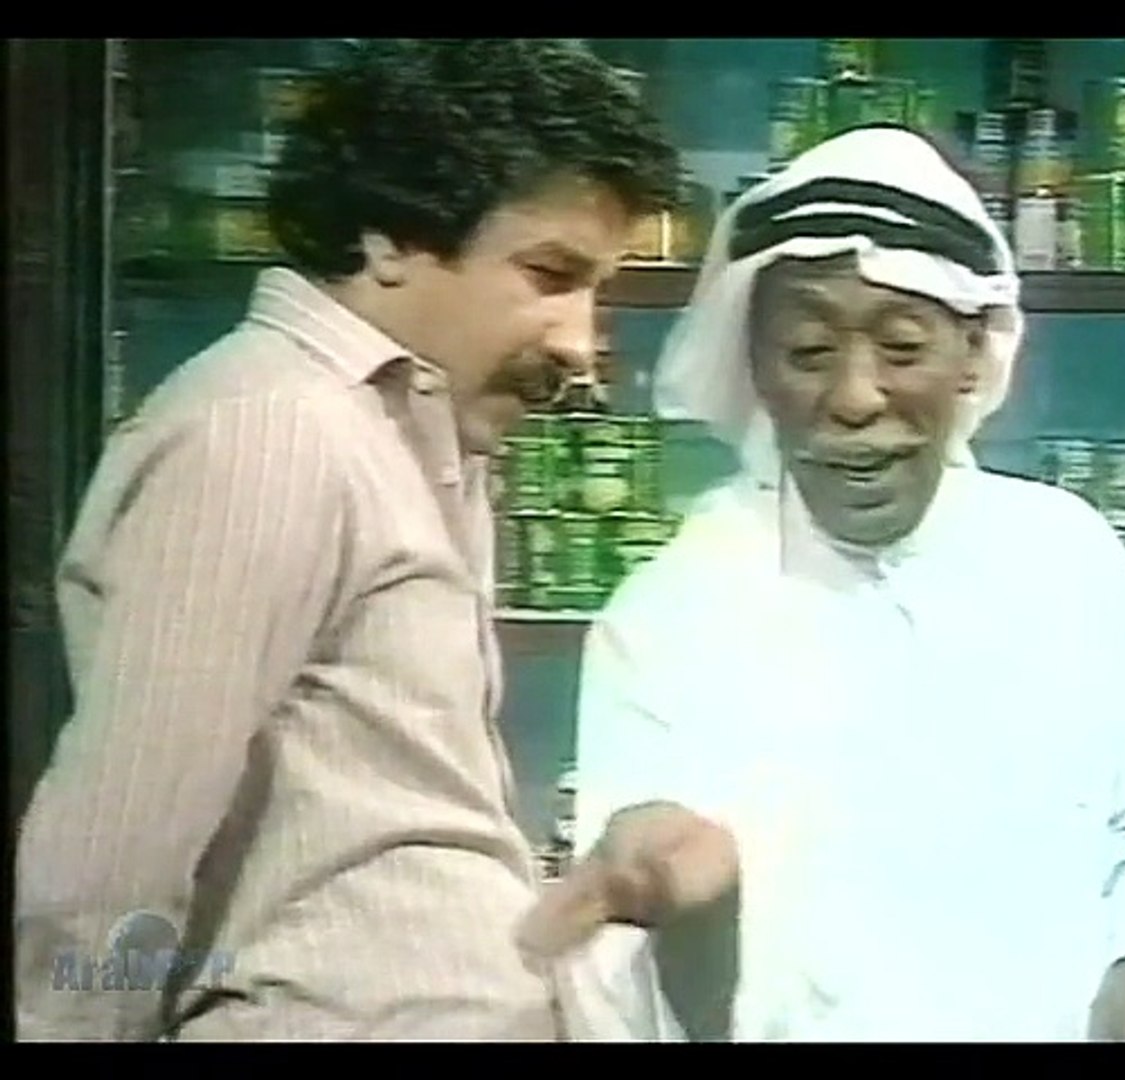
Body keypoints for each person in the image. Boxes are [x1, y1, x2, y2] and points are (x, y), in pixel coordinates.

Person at [14, 38, 680, 1041]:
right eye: (549, 275)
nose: (579, 344)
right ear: (391, 239)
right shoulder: (270, 433)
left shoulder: (411, 438)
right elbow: (116, 847)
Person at [520, 125, 1125, 1042]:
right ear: (755, 369)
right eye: (808, 352)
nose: (856, 397)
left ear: (973, 355)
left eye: (901, 348)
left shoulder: (1066, 556)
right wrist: (698, 908)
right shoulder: (669, 616)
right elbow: (640, 988)